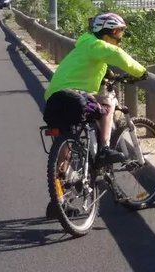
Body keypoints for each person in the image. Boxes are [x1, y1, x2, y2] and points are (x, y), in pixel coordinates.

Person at [43, 12, 147, 165]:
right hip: (73, 94)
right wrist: (141, 72)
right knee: (108, 103)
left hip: (53, 99)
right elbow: (116, 54)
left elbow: (88, 66)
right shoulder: (97, 45)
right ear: (111, 32)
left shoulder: (85, 46)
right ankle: (104, 149)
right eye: (120, 32)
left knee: (64, 140)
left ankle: (59, 181)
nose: (120, 38)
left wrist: (107, 74)